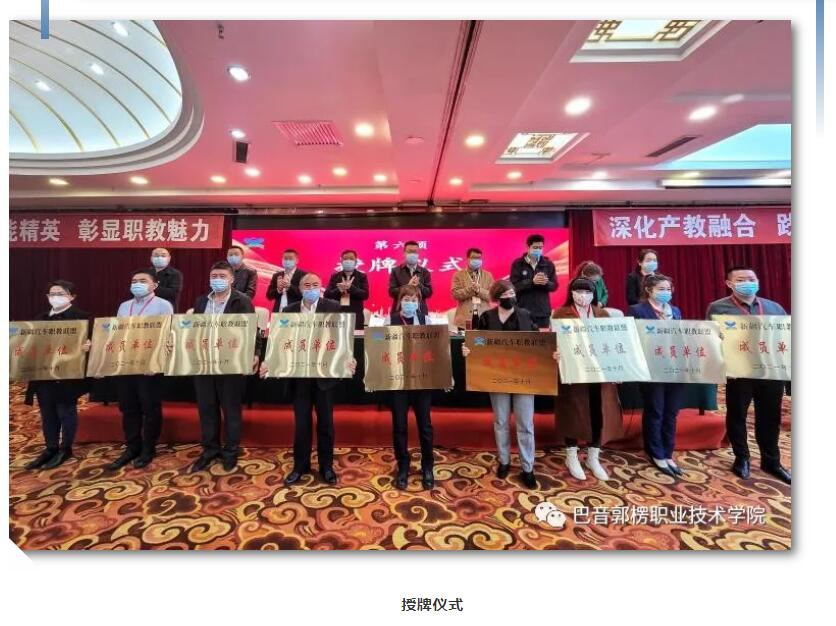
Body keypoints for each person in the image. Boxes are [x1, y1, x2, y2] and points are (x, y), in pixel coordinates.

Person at [262, 273, 357, 486]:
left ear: (321, 287)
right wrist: (269, 362)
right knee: (302, 424)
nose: (311, 288)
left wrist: (349, 357)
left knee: (326, 424)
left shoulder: (332, 307)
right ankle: (300, 466)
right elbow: (280, 342)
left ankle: (326, 466)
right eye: (307, 285)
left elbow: (341, 339)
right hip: (299, 377)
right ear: (300, 288)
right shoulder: (289, 311)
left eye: (315, 285)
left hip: (324, 375)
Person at [706, 266, 791, 484]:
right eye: (741, 279)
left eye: (751, 278)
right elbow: (711, 339)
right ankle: (741, 457)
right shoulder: (718, 307)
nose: (747, 283)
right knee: (737, 415)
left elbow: (786, 337)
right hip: (739, 372)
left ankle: (771, 461)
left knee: (770, 417)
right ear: (729, 283)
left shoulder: (774, 307)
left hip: (771, 371)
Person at [461, 280, 538, 488]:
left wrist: (552, 353)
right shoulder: (487, 317)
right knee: (501, 421)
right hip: (496, 376)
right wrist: (469, 349)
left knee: (525, 424)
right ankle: (504, 460)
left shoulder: (525, 315)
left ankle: (527, 467)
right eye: (505, 294)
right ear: (497, 297)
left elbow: (538, 342)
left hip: (523, 377)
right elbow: (478, 341)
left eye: (512, 293)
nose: (509, 297)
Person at [190, 262, 262, 473]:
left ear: (231, 279)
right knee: (207, 408)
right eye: (214, 276)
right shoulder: (202, 301)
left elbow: (252, 329)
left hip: (231, 363)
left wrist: (255, 353)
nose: (217, 279)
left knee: (231, 409)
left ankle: (231, 451)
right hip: (204, 362)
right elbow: (194, 330)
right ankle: (210, 450)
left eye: (222, 276)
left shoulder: (242, 300)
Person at [551, 277, 623, 481]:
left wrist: (619, 368)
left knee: (598, 412)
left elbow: (614, 343)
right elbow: (553, 341)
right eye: (578, 291)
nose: (583, 295)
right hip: (573, 372)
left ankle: (593, 456)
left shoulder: (602, 314)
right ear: (571, 293)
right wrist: (554, 352)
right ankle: (571, 455)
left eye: (587, 292)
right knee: (572, 412)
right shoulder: (560, 313)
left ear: (594, 294)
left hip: (599, 373)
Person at [108, 269, 174, 470]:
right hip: (126, 364)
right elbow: (117, 333)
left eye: (143, 280)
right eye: (134, 280)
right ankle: (132, 446)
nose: (137, 284)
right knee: (128, 407)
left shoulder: (163, 305)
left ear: (154, 285)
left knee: (150, 408)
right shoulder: (124, 306)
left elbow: (168, 336)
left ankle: (148, 447)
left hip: (149, 366)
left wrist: (156, 362)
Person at [23, 280, 92, 470]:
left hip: (68, 375)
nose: (55, 297)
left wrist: (89, 345)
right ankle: (50, 448)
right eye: (52, 294)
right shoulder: (40, 318)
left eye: (60, 293)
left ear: (72, 296)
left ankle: (65, 448)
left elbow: (93, 343)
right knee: (47, 413)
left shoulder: (83, 318)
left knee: (65, 411)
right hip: (44, 374)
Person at [629, 274, 684, 478]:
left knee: (671, 412)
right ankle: (655, 452)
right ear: (649, 290)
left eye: (668, 289)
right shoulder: (638, 310)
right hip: (651, 368)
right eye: (661, 289)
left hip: (675, 368)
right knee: (656, 410)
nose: (666, 292)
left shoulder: (675, 311)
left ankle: (668, 452)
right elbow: (633, 339)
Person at [388, 285, 435, 490]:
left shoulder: (426, 321)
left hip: (421, 381)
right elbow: (380, 348)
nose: (410, 303)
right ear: (400, 301)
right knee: (399, 426)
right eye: (406, 299)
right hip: (398, 381)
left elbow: (436, 350)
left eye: (414, 300)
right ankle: (403, 466)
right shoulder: (389, 320)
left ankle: (427, 467)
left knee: (425, 426)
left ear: (419, 302)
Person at [510, 233, 558, 329]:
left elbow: (554, 286)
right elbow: (514, 286)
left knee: (542, 337)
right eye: (535, 247)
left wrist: (545, 282)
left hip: (543, 312)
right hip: (522, 310)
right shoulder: (518, 264)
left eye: (540, 247)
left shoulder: (548, 264)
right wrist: (532, 282)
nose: (538, 250)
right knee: (523, 337)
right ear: (528, 247)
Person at [324, 249, 369, 330]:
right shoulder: (335, 276)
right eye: (345, 259)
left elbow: (365, 295)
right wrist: (338, 290)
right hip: (338, 315)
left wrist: (351, 288)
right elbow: (327, 295)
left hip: (356, 316)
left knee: (356, 337)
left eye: (351, 259)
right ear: (341, 261)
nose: (348, 261)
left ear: (356, 261)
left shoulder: (362, 276)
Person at [450, 247, 493, 329]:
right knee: (464, 337)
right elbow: (455, 294)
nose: (477, 260)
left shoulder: (488, 275)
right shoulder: (458, 275)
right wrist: (470, 289)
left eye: (479, 258)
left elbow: (491, 296)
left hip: (484, 317)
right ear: (468, 259)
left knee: (482, 338)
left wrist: (479, 290)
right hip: (464, 317)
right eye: (474, 258)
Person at [388, 240, 433, 316]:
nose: (412, 254)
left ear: (418, 254)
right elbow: (391, 292)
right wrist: (407, 286)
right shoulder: (395, 271)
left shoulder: (425, 272)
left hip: (420, 313)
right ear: (404, 253)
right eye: (409, 251)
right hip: (399, 313)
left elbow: (429, 293)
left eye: (415, 252)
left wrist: (419, 285)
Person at [266, 248, 308, 313]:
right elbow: (269, 296)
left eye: (290, 259)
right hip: (278, 312)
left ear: (297, 261)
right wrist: (278, 289)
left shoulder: (304, 275)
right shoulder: (277, 275)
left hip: (295, 313)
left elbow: (306, 295)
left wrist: (290, 287)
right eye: (285, 259)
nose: (287, 261)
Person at [150, 247, 183, 311]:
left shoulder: (175, 274)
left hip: (167, 310)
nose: (159, 258)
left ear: (169, 258)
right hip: (147, 309)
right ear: (151, 258)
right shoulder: (145, 273)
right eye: (156, 255)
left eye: (163, 256)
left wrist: (152, 288)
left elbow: (173, 293)